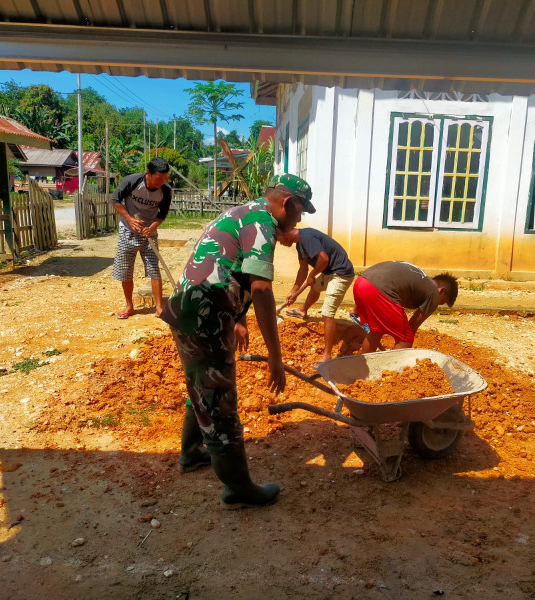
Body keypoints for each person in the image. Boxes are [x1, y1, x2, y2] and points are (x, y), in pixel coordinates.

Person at [160, 173, 315, 509]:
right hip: (207, 317)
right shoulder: (263, 224)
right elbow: (261, 289)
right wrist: (275, 356)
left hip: (190, 310)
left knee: (203, 385)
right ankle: (238, 489)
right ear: (288, 202)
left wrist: (239, 318)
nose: (300, 219)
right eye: (301, 210)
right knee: (219, 399)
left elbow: (227, 266)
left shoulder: (242, 212)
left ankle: (191, 453)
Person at [276, 227, 355, 367]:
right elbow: (303, 269)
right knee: (315, 287)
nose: (280, 243)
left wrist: (312, 275)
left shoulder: (306, 237)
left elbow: (324, 259)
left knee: (327, 313)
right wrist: (294, 291)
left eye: (279, 239)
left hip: (341, 273)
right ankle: (302, 310)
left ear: (285, 233)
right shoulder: (299, 244)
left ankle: (327, 357)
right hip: (329, 272)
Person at [110, 157, 173, 319]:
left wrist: (153, 227)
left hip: (149, 234)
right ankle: (129, 306)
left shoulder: (166, 190)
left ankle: (159, 307)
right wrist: (129, 219)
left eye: (165, 178)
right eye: (159, 178)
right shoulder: (132, 181)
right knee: (126, 270)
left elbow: (162, 214)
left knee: (154, 268)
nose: (162, 182)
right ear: (148, 173)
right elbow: (114, 200)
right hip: (128, 231)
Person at [352, 261, 458, 354]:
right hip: (380, 291)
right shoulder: (434, 293)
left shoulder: (420, 277)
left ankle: (363, 368)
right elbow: (412, 327)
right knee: (406, 338)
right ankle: (393, 369)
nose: (437, 304)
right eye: (441, 302)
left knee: (377, 330)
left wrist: (357, 308)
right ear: (442, 291)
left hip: (360, 282)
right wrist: (404, 343)